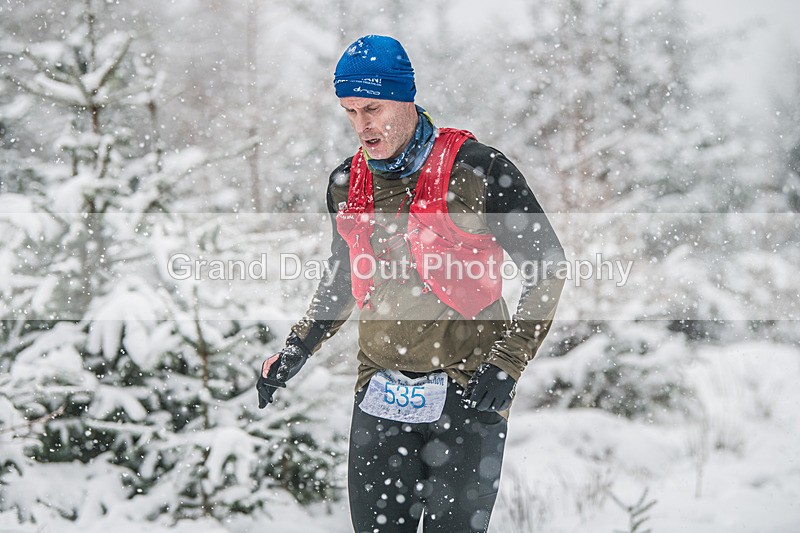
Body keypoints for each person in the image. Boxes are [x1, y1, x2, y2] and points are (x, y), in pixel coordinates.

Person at [256, 34, 565, 533]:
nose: (362, 126)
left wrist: (508, 362)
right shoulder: (345, 182)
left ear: (405, 97)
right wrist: (298, 347)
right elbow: (343, 276)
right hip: (378, 392)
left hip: (467, 391)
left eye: (372, 108)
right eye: (350, 111)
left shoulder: (477, 170)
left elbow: (548, 264)